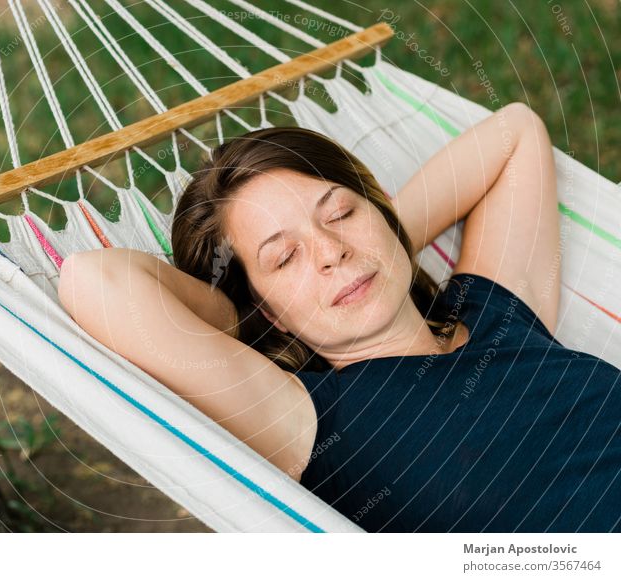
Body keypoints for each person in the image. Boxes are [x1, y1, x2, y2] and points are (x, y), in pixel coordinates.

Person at [58, 102, 621, 532]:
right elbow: (94, 279)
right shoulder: (304, 418)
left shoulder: (499, 313)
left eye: (343, 212)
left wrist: (380, 244)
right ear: (266, 310)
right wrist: (245, 313)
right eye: (284, 258)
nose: (329, 251)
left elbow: (515, 131)